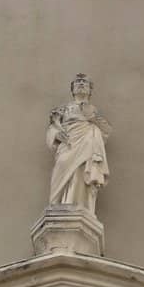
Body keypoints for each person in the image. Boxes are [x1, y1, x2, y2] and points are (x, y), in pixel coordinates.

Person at [46, 75, 111, 213]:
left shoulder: (93, 110)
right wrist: (57, 135)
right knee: (62, 167)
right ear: (73, 90)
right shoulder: (63, 110)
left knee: (81, 174)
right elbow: (52, 129)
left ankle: (82, 206)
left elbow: (107, 130)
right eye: (77, 82)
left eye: (84, 82)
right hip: (67, 145)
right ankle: (60, 204)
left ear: (90, 90)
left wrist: (92, 117)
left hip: (86, 144)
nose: (81, 84)